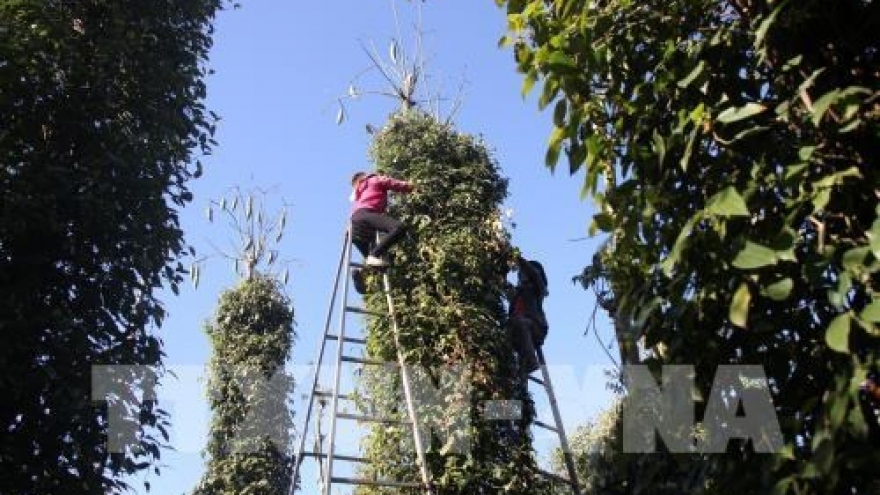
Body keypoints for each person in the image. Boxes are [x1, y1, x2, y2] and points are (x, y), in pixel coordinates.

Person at [349, 171, 414, 293]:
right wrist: (410, 186)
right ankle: (372, 257)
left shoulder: (358, 193)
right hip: (366, 215)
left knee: (377, 263)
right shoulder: (374, 179)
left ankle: (361, 273)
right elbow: (393, 183)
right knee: (399, 228)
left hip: (355, 227)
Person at [507, 255, 549, 374]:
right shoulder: (517, 293)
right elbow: (505, 287)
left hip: (536, 327)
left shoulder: (537, 289)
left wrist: (516, 257)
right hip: (518, 328)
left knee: (519, 321)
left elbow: (534, 274)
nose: (521, 275)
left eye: (523, 272)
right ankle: (511, 368)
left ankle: (531, 361)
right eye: (520, 273)